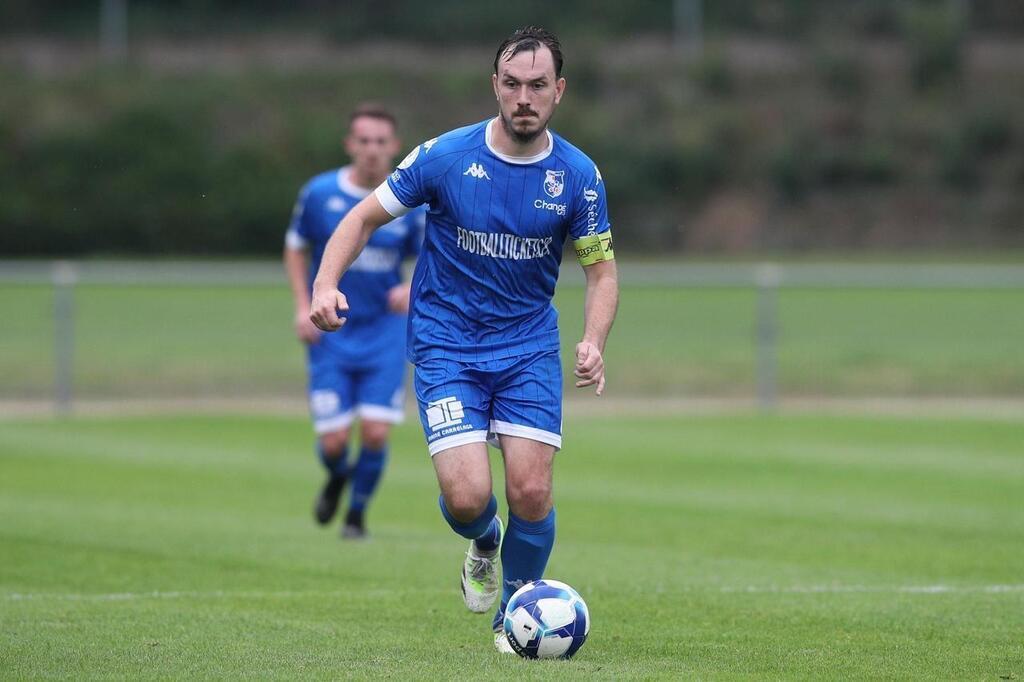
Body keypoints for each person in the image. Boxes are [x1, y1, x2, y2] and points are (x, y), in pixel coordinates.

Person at [309, 27, 618, 651]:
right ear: (495, 87)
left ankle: (514, 617)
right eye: (512, 84)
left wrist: (592, 339)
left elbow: (600, 269)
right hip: (447, 344)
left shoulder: (579, 177)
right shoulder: (445, 157)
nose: (523, 97)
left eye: (537, 85)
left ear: (558, 91)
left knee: (531, 489)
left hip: (528, 345)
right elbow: (363, 216)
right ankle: (483, 540)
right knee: (468, 495)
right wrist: (324, 283)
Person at [284, 104, 425, 539]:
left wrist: (412, 285)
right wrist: (301, 302)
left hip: (384, 329)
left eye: (380, 142)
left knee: (377, 433)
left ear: (394, 147)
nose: (371, 150)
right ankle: (337, 476)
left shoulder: (408, 202)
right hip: (331, 328)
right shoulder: (320, 193)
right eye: (363, 141)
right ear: (350, 144)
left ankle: (356, 516)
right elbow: (296, 247)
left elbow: (431, 254)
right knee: (334, 443)